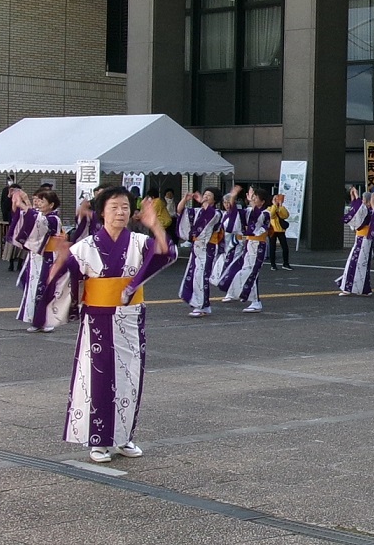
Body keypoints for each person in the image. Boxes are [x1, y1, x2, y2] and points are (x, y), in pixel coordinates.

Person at [44, 187, 175, 464]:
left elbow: (164, 252)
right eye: (114, 207)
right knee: (98, 379)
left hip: (129, 318)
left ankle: (124, 436)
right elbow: (60, 277)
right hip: (98, 321)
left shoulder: (139, 241)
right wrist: (59, 258)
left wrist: (156, 226)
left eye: (125, 207)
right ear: (102, 212)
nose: (120, 212)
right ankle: (99, 439)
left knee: (130, 379)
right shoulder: (86, 246)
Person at [12, 185, 62, 330]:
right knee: (33, 288)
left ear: (51, 204)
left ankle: (47, 321)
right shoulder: (42, 216)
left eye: (42, 201)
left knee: (45, 287)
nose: (38, 203)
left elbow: (38, 222)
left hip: (49, 257)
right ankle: (35, 320)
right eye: (37, 200)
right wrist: (24, 205)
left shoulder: (53, 218)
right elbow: (31, 220)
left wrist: (24, 204)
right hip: (36, 256)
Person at [222, 186, 272, 311]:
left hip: (258, 245)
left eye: (255, 198)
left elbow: (257, 220)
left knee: (251, 273)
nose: (253, 199)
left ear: (263, 201)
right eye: (252, 197)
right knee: (249, 272)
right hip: (249, 244)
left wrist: (251, 203)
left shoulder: (266, 213)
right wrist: (233, 197)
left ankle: (255, 301)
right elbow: (237, 215)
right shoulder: (250, 210)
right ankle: (253, 300)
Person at [176, 188, 224, 317]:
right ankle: (205, 305)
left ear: (215, 200)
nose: (206, 196)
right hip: (197, 247)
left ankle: (200, 306)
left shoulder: (217, 213)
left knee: (200, 276)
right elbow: (180, 211)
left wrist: (203, 203)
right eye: (205, 194)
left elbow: (210, 215)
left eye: (209, 195)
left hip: (208, 248)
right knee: (195, 275)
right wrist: (185, 200)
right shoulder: (198, 212)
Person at [338, 188, 374, 297]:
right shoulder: (368, 209)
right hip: (363, 238)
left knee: (354, 263)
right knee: (361, 264)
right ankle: (364, 289)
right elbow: (356, 208)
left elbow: (358, 208)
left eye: (365, 200)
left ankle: (348, 287)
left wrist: (356, 194)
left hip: (363, 239)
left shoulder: (368, 210)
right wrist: (354, 197)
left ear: (369, 202)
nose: (363, 202)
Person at [269, 191, 293, 270]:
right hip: (273, 230)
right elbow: (271, 215)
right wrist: (274, 206)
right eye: (275, 199)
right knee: (272, 248)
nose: (276, 200)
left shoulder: (281, 208)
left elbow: (285, 215)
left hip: (281, 230)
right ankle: (273, 264)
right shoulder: (269, 208)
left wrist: (281, 206)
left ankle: (285, 263)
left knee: (285, 247)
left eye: (277, 198)